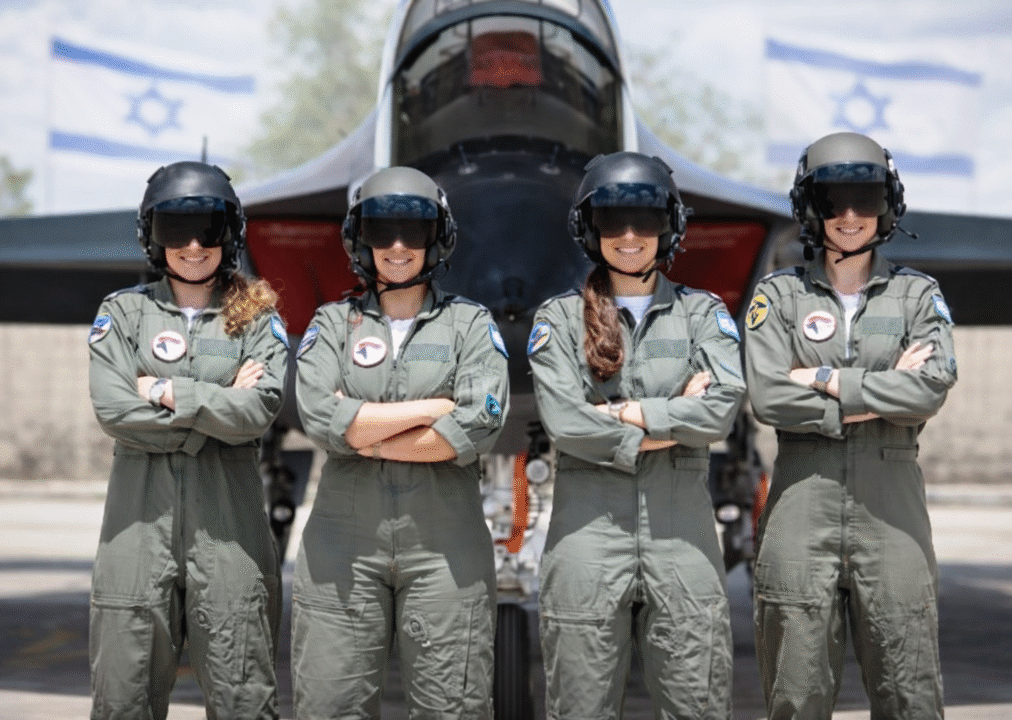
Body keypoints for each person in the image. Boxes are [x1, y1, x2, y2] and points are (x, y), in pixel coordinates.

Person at [744, 131, 957, 719]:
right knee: (795, 694)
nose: (848, 216)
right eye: (833, 201)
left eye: (864, 201)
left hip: (892, 513)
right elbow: (767, 395)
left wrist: (825, 380)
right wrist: (880, 390)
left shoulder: (917, 296)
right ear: (810, 207)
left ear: (887, 205)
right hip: (801, 503)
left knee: (909, 690)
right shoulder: (778, 297)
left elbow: (930, 387)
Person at [528, 151, 745, 719]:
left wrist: (621, 415)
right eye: (611, 221)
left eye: (644, 220)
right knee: (579, 705)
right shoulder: (558, 319)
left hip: (684, 540)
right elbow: (566, 424)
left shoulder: (703, 315)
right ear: (589, 228)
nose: (629, 236)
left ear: (667, 226)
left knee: (697, 702)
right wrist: (672, 414)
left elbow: (720, 412)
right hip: (588, 539)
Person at [291, 166, 510, 718]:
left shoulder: (470, 325)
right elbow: (317, 415)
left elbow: (478, 425)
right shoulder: (331, 324)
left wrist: (359, 430)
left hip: (444, 553)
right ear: (359, 239)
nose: (396, 247)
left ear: (436, 238)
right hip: (343, 551)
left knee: (452, 708)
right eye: (380, 231)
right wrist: (431, 411)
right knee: (330, 705)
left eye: (413, 231)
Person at [87, 161, 288, 720]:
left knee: (244, 701)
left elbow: (258, 412)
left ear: (231, 234)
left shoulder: (257, 319)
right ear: (153, 235)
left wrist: (168, 390)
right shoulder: (123, 314)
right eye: (176, 230)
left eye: (210, 229)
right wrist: (215, 403)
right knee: (122, 702)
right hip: (136, 539)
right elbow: (115, 409)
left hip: (231, 541)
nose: (194, 245)